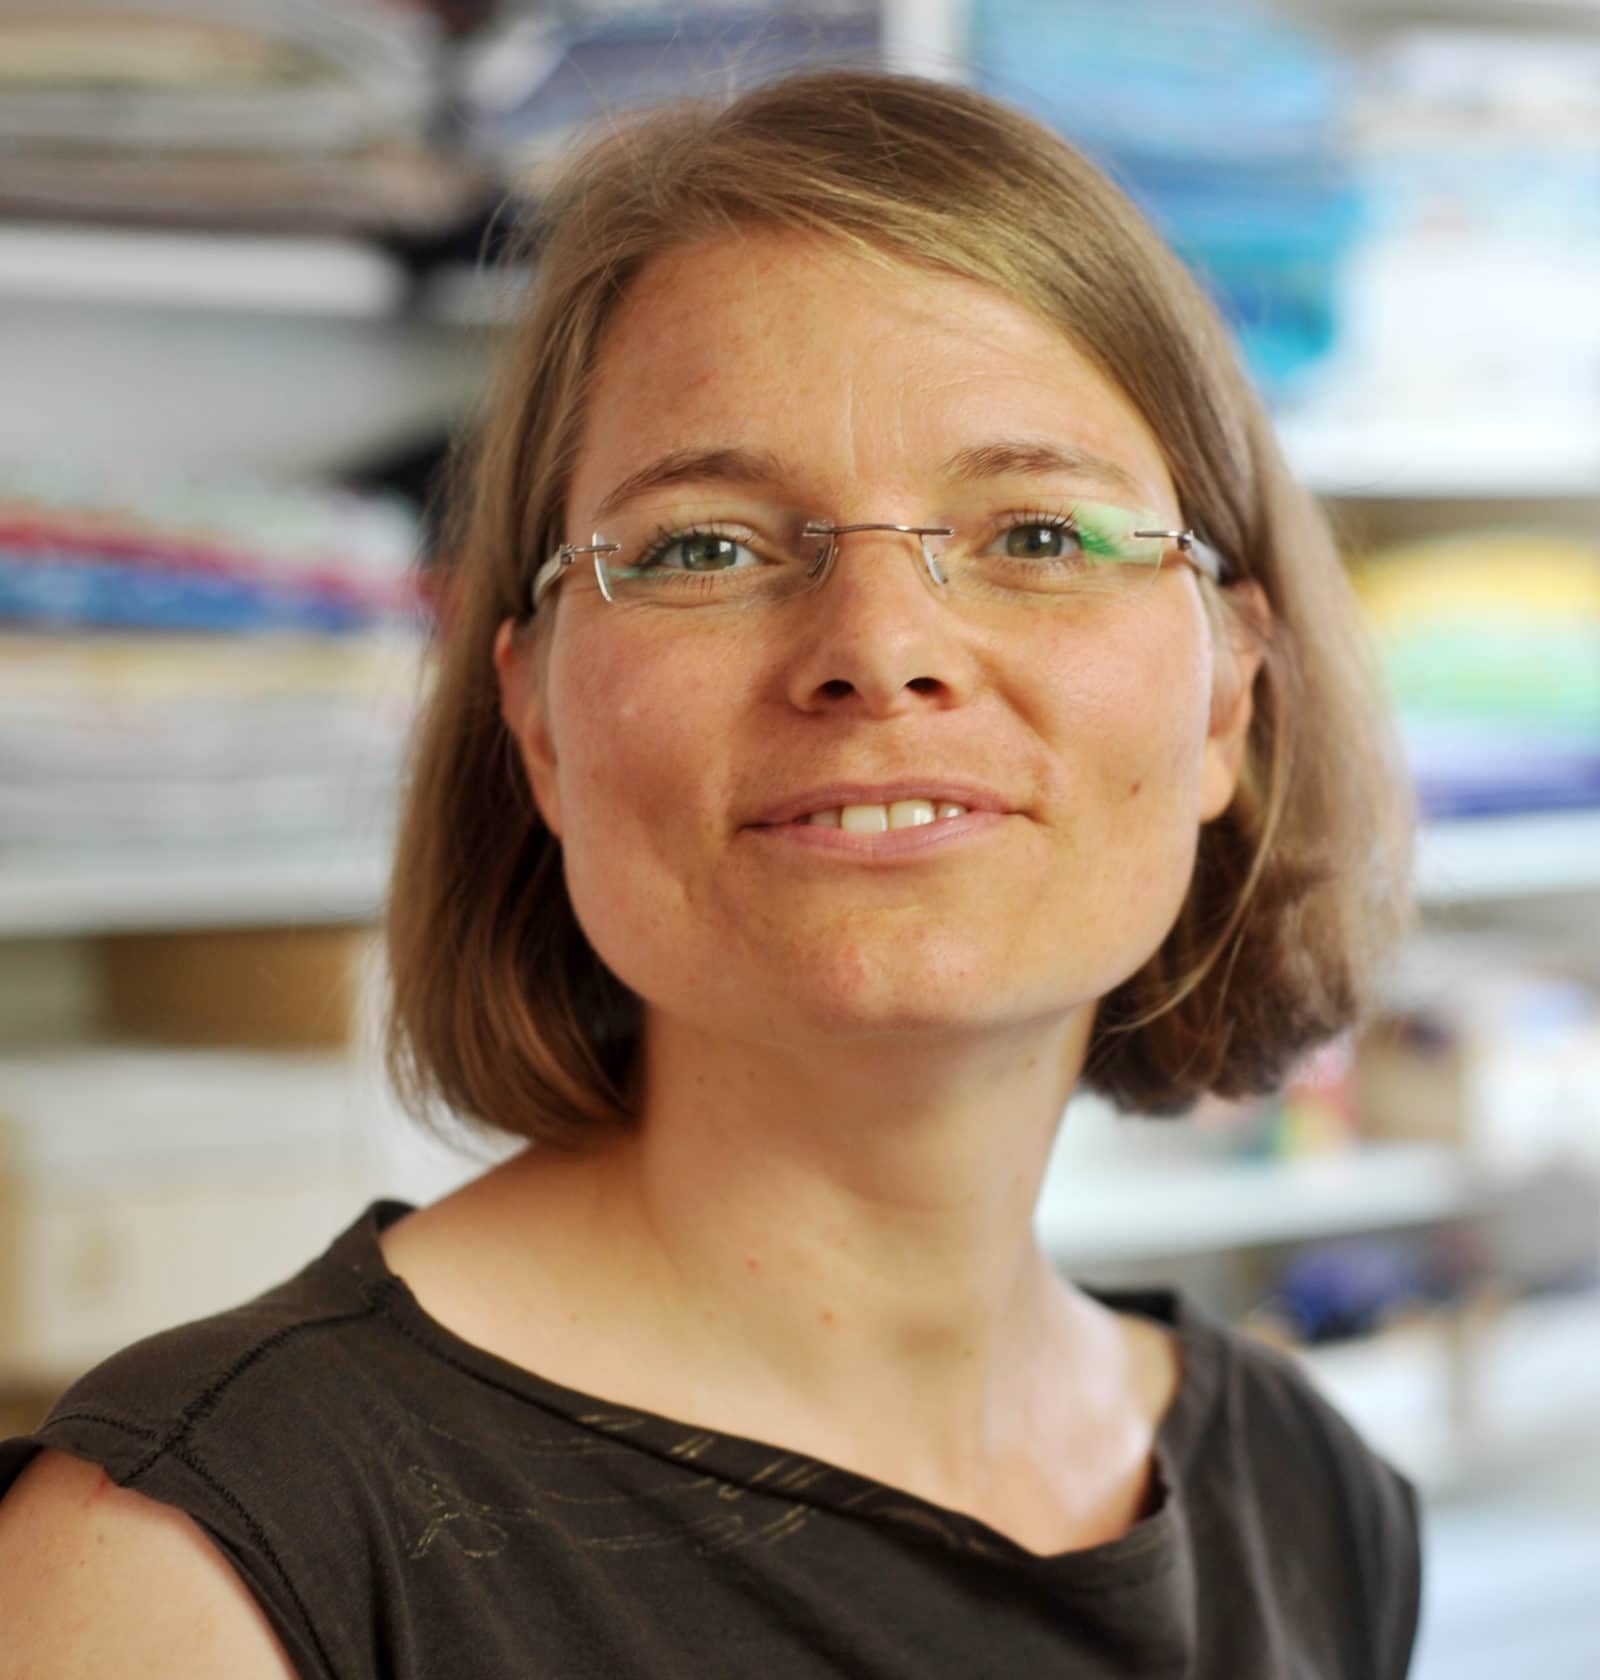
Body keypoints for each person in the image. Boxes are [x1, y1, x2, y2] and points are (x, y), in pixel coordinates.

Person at [0, 68, 1420, 1678]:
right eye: (706, 548)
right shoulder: (192, 1563)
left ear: (1228, 699)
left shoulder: (1314, 1499)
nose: (878, 649)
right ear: (537, 721)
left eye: (1035, 534)